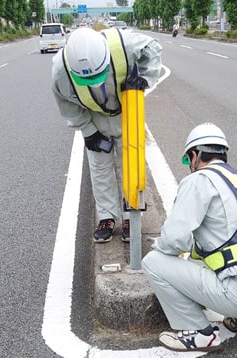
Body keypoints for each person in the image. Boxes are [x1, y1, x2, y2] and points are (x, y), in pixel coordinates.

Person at [142, 122, 237, 352]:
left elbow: (174, 240)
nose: (189, 166)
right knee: (211, 252)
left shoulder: (199, 180)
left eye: (188, 160)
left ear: (194, 155)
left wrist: (162, 249)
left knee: (154, 263)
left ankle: (198, 332)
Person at [52, 27, 162, 243]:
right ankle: (107, 217)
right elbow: (65, 103)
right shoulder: (60, 70)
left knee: (130, 163)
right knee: (99, 167)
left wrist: (145, 79)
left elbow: (154, 48)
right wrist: (87, 131)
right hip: (94, 116)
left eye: (98, 75)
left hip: (126, 111)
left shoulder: (124, 44)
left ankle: (132, 214)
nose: (95, 82)